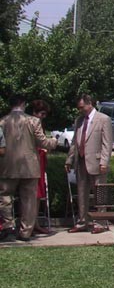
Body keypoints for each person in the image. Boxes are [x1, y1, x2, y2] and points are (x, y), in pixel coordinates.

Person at [0, 94, 57, 241]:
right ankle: (25, 231)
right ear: (23, 104)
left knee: (5, 196)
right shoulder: (33, 121)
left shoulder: (3, 121)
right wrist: (54, 141)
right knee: (29, 201)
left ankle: (8, 225)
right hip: (29, 166)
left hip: (8, 165)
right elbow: (42, 142)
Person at [64, 94, 113, 234]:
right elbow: (75, 142)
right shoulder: (79, 120)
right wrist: (69, 160)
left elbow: (107, 143)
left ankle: (100, 222)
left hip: (97, 163)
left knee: (100, 193)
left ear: (90, 103)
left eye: (82, 107)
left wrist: (104, 162)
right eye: (78, 108)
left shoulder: (103, 119)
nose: (80, 110)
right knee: (82, 194)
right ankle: (82, 222)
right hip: (80, 163)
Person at [30, 99, 52, 235]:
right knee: (33, 194)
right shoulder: (32, 123)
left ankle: (35, 222)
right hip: (34, 160)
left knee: (37, 194)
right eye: (42, 114)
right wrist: (51, 143)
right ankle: (31, 224)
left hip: (40, 160)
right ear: (35, 112)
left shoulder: (38, 124)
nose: (43, 117)